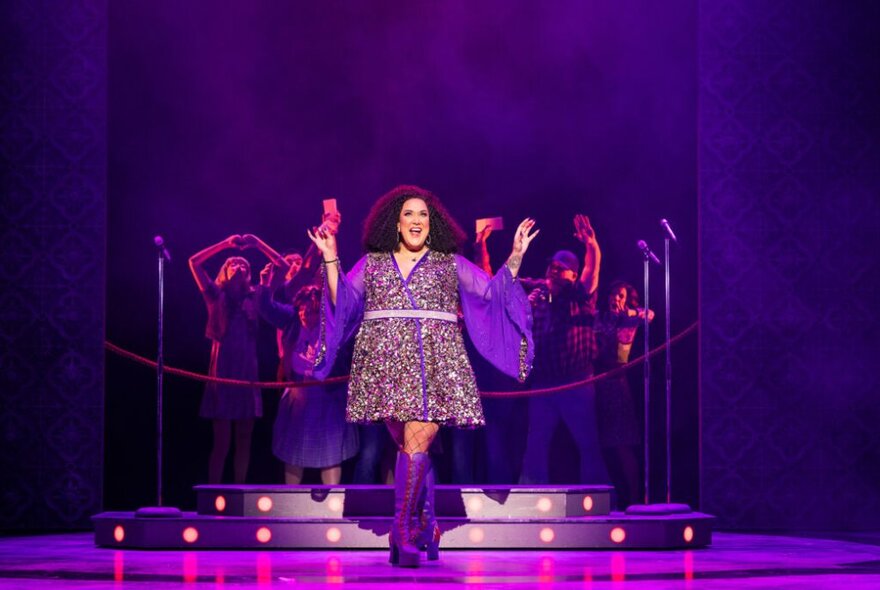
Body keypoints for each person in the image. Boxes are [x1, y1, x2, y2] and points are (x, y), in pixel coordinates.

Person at [308, 185, 537, 567]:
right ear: (396, 224)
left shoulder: (450, 263)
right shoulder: (374, 262)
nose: (417, 220)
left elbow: (492, 295)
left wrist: (514, 256)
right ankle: (427, 523)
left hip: (436, 364)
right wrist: (331, 258)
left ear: (433, 225)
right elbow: (343, 302)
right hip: (384, 363)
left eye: (423, 215)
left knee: (416, 445)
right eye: (409, 214)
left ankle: (401, 529)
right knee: (412, 450)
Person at [188, 234, 287, 484]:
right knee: (221, 442)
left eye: (244, 265)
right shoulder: (214, 295)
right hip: (222, 375)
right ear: (225, 271)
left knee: (244, 439)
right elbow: (194, 262)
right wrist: (224, 244)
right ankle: (214, 493)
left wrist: (259, 243)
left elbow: (283, 267)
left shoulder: (255, 296)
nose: (240, 266)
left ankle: (238, 493)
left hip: (247, 375)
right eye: (234, 263)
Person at [518, 214, 609, 485]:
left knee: (588, 445)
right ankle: (531, 501)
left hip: (576, 383)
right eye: (551, 267)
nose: (553, 272)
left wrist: (592, 245)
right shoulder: (538, 290)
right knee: (535, 445)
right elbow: (498, 283)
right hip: (544, 384)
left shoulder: (579, 295)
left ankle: (598, 502)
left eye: (561, 268)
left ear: (572, 273)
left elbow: (591, 277)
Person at [256, 269, 358, 485]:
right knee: (293, 450)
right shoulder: (292, 319)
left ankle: (333, 503)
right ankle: (291, 502)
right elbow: (265, 308)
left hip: (328, 395)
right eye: (302, 310)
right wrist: (264, 285)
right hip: (298, 393)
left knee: (330, 453)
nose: (305, 315)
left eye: (310, 311)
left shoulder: (334, 323)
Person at [594, 280, 654, 509]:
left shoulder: (629, 318)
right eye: (613, 294)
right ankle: (605, 499)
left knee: (622, 444)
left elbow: (649, 314)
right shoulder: (599, 317)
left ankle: (635, 497)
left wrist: (628, 310)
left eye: (620, 295)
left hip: (617, 383)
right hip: (595, 382)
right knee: (597, 444)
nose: (615, 299)